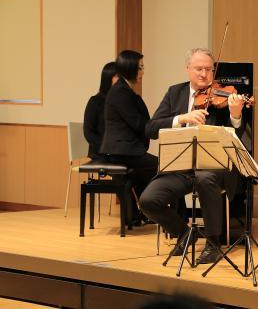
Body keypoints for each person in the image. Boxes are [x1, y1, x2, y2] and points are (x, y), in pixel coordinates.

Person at [139, 48, 245, 264]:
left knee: (205, 179)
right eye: (199, 69)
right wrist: (182, 118)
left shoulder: (223, 97)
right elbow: (150, 128)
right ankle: (184, 233)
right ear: (188, 69)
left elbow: (239, 138)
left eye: (208, 69)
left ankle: (213, 242)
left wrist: (235, 115)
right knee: (148, 201)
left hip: (213, 167)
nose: (204, 74)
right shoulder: (174, 93)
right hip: (180, 166)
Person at [100, 50, 158, 224]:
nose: (142, 72)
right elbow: (138, 123)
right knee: (165, 168)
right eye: (140, 68)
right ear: (130, 68)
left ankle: (148, 212)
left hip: (127, 149)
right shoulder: (121, 92)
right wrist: (163, 126)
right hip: (122, 151)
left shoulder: (125, 90)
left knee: (158, 168)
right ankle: (163, 214)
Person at [83, 62, 118, 160]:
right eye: (117, 76)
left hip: (120, 152)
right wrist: (108, 148)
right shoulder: (95, 101)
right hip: (101, 153)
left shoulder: (122, 101)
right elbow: (88, 133)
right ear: (108, 78)